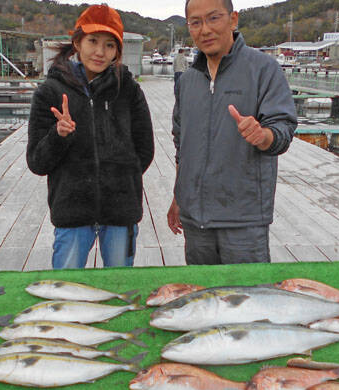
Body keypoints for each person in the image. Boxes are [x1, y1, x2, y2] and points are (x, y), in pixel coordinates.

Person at [167, 0, 297, 265]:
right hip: (196, 222)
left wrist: (263, 136)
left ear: (233, 19)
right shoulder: (188, 80)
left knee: (248, 300)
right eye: (195, 22)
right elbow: (182, 143)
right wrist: (178, 197)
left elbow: (283, 129)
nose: (205, 29)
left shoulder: (263, 69)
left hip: (243, 222)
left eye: (214, 18)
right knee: (203, 299)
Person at [27, 4, 154, 269]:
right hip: (72, 213)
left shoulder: (128, 89)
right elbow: (37, 162)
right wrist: (58, 135)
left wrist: (121, 176)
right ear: (77, 42)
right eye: (93, 41)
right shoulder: (49, 92)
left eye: (109, 45)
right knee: (68, 290)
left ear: (117, 51)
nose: (100, 52)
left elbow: (144, 149)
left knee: (119, 288)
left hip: (121, 213)